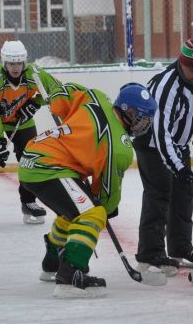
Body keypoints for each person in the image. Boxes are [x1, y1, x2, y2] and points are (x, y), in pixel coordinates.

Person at [18, 81, 157, 298]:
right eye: (141, 118)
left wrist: (55, 102)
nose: (144, 125)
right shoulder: (120, 147)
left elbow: (68, 91)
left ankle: (53, 260)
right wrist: (106, 210)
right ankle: (69, 277)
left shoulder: (97, 96)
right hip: (48, 167)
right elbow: (108, 192)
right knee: (93, 213)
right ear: (127, 111)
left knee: (77, 212)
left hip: (34, 158)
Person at [134, 31, 193, 276]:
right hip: (151, 142)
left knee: (184, 193)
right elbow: (160, 134)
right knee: (159, 193)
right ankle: (150, 253)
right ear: (181, 62)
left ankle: (180, 247)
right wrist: (178, 167)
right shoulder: (166, 86)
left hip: (178, 143)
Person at [0, 40, 60, 227]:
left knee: (30, 158)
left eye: (19, 63)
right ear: (4, 63)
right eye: (11, 63)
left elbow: (55, 90)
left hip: (19, 118)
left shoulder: (35, 74)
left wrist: (35, 103)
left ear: (24, 62)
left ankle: (29, 202)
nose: (16, 68)